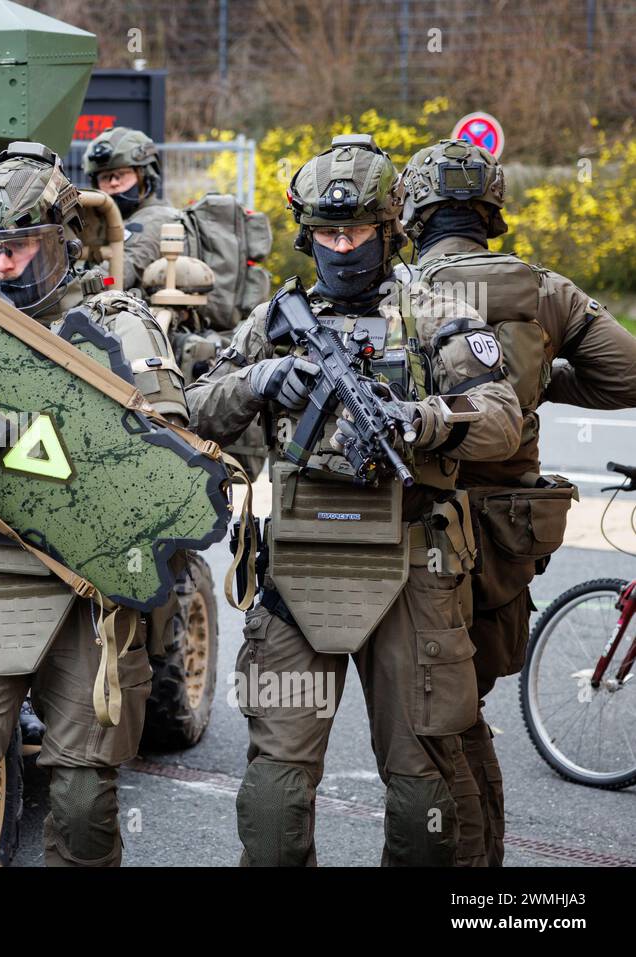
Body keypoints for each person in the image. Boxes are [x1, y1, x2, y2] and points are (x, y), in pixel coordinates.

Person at [187, 134, 523, 866]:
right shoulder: (277, 319)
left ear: (390, 226)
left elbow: (501, 418)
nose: (342, 247)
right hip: (299, 568)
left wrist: (426, 419)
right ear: (309, 234)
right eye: (329, 233)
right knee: (272, 806)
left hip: (411, 564)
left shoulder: (433, 314)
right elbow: (197, 405)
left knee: (421, 800)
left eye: (358, 231)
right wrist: (261, 380)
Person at [0, 142, 187, 866]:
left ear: (60, 242)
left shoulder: (118, 324)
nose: (3, 263)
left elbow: (167, 465)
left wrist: (33, 437)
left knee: (82, 806)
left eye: (18, 245)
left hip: (86, 597)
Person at [402, 138, 636, 865]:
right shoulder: (546, 291)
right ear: (491, 210)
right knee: (467, 709)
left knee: (431, 725)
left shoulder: (400, 290)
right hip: (508, 538)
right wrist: (533, 386)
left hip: (419, 533)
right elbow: (626, 377)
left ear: (414, 211)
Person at [83, 126, 178, 290]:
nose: (113, 183)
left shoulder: (155, 219)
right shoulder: (102, 221)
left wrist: (78, 287)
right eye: (105, 177)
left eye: (121, 174)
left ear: (144, 175)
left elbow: (114, 278)